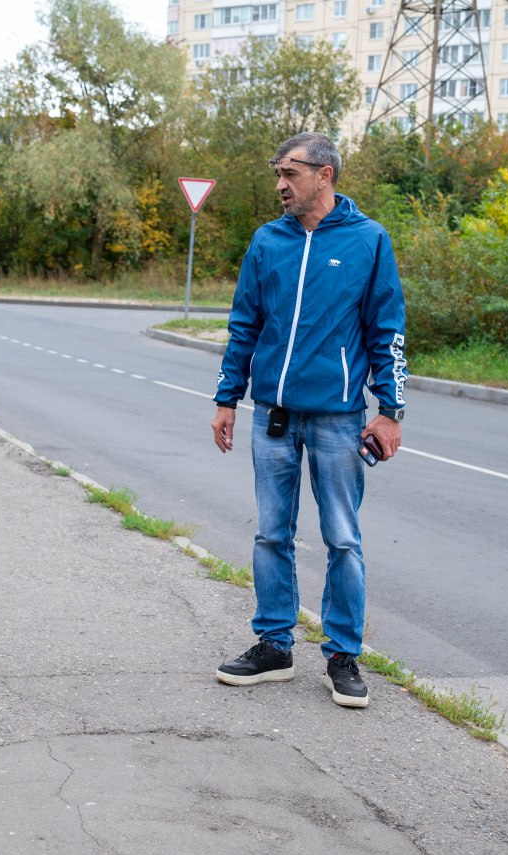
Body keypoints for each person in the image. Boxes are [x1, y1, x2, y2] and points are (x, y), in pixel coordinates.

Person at [211, 132, 407, 709]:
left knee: (342, 538)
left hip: (338, 419)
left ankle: (342, 654)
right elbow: (244, 322)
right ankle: (273, 644)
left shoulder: (368, 241)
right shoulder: (268, 241)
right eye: (277, 172)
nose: (279, 184)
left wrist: (390, 412)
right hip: (271, 413)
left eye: (289, 173)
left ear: (324, 175)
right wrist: (228, 397)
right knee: (272, 533)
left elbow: (386, 331)